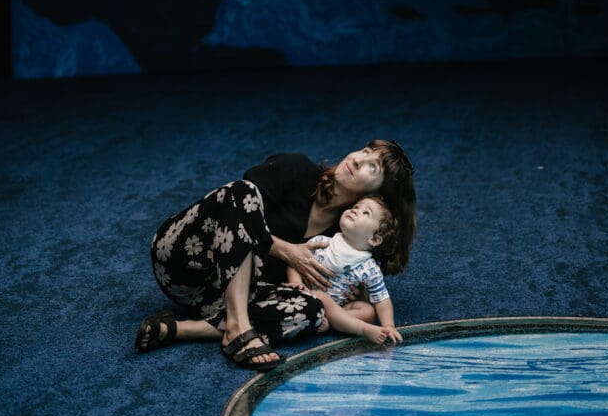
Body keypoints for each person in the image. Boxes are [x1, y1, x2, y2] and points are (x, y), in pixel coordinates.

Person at [134, 140, 416, 372]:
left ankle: (181, 329)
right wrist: (288, 252)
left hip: (219, 301)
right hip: (183, 262)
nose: (358, 159)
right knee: (242, 193)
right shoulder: (295, 169)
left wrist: (351, 298)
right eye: (364, 151)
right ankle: (239, 329)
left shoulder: (347, 236)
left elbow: (357, 297)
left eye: (372, 166)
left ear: (379, 194)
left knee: (315, 312)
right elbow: (235, 210)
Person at [285, 195, 403, 345]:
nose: (356, 211)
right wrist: (295, 281)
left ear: (374, 239)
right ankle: (359, 328)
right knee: (321, 296)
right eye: (356, 207)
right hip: (309, 297)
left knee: (367, 311)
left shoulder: (369, 268)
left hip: (339, 306)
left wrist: (388, 325)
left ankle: (331, 322)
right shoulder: (321, 243)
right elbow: (294, 261)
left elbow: (382, 298)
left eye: (366, 213)